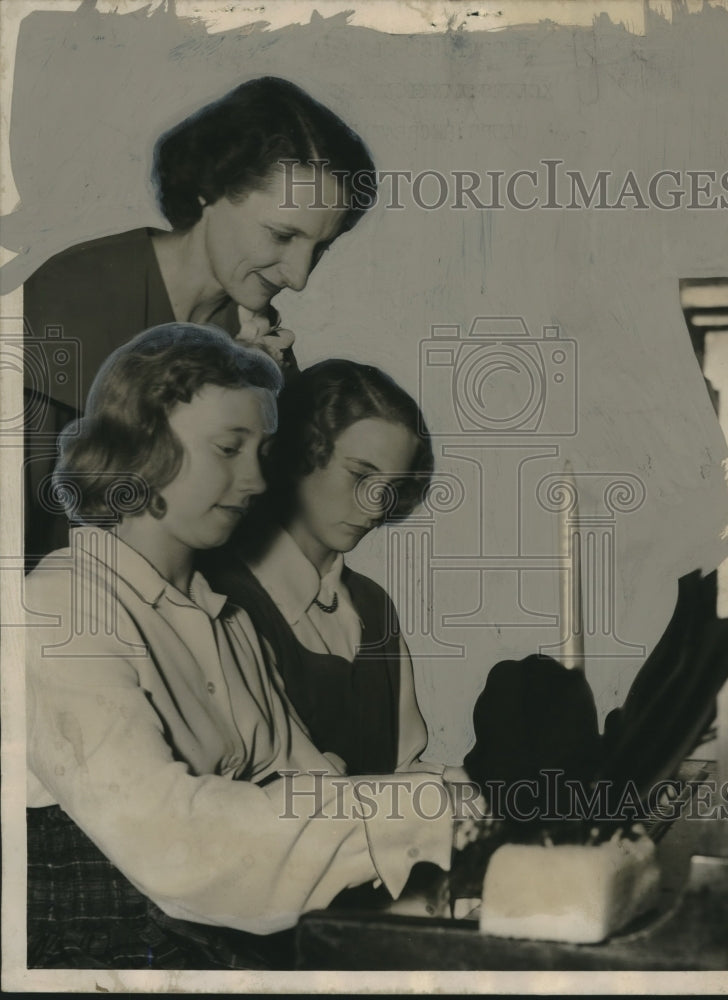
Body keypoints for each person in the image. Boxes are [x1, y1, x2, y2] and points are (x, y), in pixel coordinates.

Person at [25, 325, 463, 971]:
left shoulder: (224, 621)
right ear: (143, 444)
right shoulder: (57, 609)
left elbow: (312, 784)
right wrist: (419, 813)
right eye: (230, 449)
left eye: (263, 451)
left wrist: (455, 804)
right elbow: (175, 842)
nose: (257, 481)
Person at [23, 76, 376, 562]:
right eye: (280, 235)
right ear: (211, 188)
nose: (298, 278)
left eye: (320, 248)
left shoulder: (259, 340)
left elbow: (261, 536)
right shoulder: (74, 294)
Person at [203, 360, 439, 776]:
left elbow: (404, 768)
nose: (376, 505)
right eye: (360, 475)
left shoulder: (371, 606)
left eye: (391, 486)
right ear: (298, 454)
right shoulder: (222, 596)